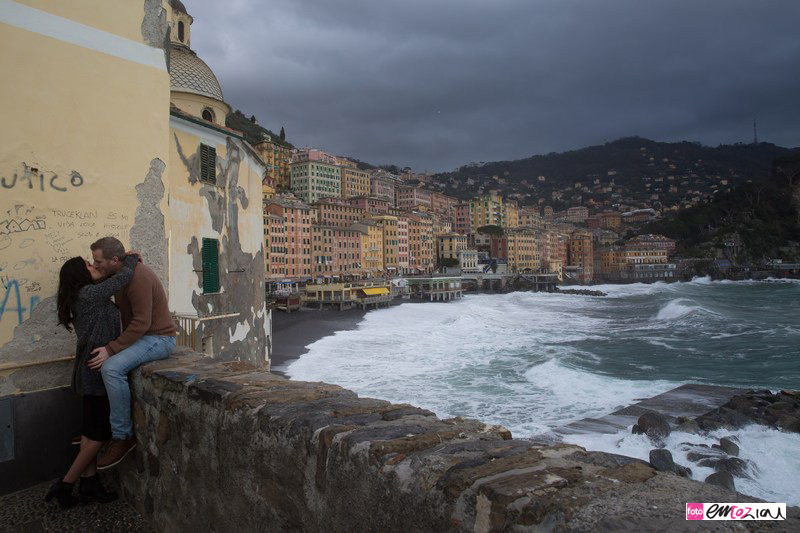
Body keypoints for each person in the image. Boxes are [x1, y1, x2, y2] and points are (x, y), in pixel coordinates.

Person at [45, 253, 139, 508]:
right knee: (97, 435)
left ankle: (90, 484)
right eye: (89, 264)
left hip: (88, 370)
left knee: (89, 433)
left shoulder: (85, 295)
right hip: (95, 372)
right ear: (81, 275)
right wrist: (128, 259)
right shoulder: (88, 294)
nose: (94, 265)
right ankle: (65, 485)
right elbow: (124, 276)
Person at [86, 237, 177, 469]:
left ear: (114, 260)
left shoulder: (138, 277)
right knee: (96, 363)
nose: (95, 265)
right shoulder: (120, 272)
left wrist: (111, 349)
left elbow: (142, 322)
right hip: (145, 336)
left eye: (98, 261)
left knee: (110, 367)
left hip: (159, 339)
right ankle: (100, 428)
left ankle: (122, 437)